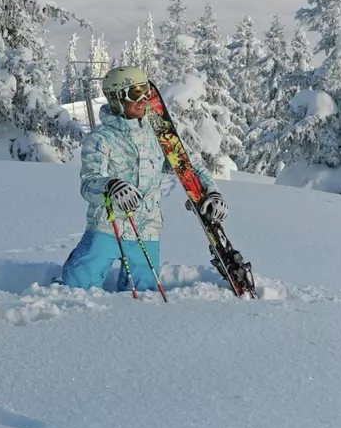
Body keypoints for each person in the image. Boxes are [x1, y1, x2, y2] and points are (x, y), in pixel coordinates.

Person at [60, 65, 228, 292]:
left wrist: (212, 192)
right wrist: (110, 185)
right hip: (108, 227)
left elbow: (190, 166)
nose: (143, 99)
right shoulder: (101, 140)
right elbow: (89, 184)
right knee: (76, 286)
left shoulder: (158, 135)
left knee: (144, 294)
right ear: (116, 99)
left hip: (147, 229)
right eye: (134, 93)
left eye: (146, 91)